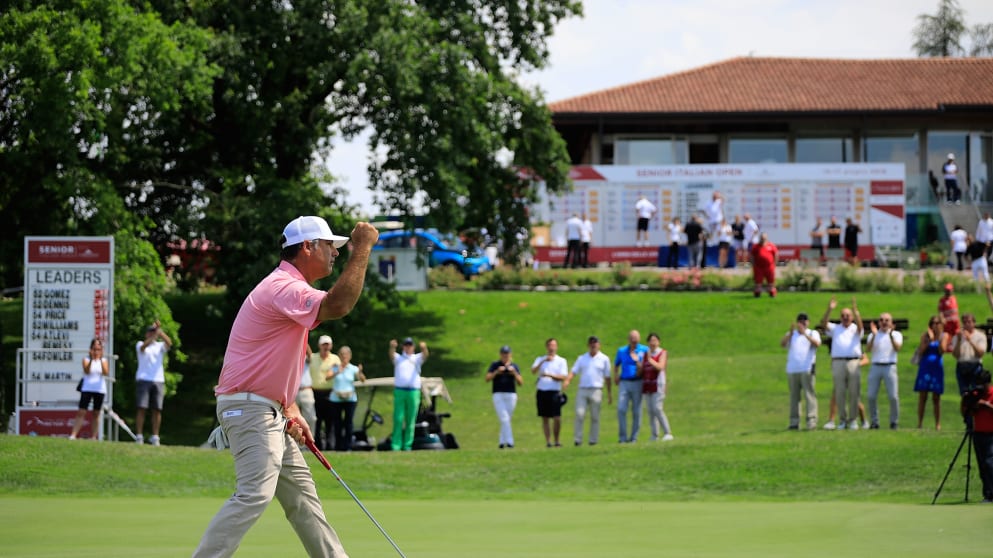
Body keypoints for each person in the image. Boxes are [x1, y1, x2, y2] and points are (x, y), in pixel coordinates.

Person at [194, 215, 377, 558]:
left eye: (340, 248)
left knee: (303, 502)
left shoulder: (289, 290)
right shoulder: (283, 286)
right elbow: (339, 304)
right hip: (250, 409)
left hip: (268, 410)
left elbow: (273, 362)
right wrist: (362, 247)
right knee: (255, 493)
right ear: (308, 247)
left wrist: (289, 408)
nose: (336, 253)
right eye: (330, 246)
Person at [818, 296, 864, 430]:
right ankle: (842, 420)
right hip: (838, 362)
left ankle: (853, 420)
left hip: (853, 362)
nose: (845, 317)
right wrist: (829, 309)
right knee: (839, 392)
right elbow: (823, 324)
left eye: (848, 315)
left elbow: (861, 328)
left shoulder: (855, 328)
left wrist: (856, 312)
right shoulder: (835, 328)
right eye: (843, 315)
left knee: (854, 392)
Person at [567, 336, 612, 446]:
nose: (593, 345)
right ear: (588, 345)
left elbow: (607, 377)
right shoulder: (582, 358)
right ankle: (578, 440)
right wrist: (567, 380)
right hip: (583, 390)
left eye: (595, 343)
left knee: (595, 416)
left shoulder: (604, 359)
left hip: (596, 390)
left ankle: (593, 440)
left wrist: (609, 393)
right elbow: (574, 371)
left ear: (599, 345)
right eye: (591, 343)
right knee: (579, 414)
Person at [135, 320, 172, 446]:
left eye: (153, 331)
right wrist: (154, 335)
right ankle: (139, 436)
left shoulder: (159, 346)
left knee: (157, 409)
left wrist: (160, 333)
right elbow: (143, 348)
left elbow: (169, 343)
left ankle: (155, 436)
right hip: (143, 379)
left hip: (158, 380)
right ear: (146, 334)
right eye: (150, 331)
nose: (152, 334)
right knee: (142, 408)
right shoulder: (140, 344)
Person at [780, 313, 820, 430]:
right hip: (793, 369)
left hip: (807, 368)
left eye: (804, 321)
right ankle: (794, 421)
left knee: (809, 395)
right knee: (794, 396)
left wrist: (805, 335)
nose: (802, 323)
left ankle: (811, 421)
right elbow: (782, 344)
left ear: (808, 322)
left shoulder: (813, 333)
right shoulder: (791, 334)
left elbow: (817, 344)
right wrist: (791, 333)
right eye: (800, 321)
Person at [389, 337, 429, 451]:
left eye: (410, 345)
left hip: (413, 391)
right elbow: (391, 355)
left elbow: (425, 355)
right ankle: (396, 445)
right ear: (403, 346)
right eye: (406, 345)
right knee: (398, 418)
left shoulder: (416, 358)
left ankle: (407, 445)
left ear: (413, 347)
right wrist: (392, 347)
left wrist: (424, 348)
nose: (408, 347)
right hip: (400, 391)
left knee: (410, 420)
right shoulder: (399, 358)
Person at [865, 313, 903, 430]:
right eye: (881, 320)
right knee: (871, 396)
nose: (884, 322)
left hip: (890, 366)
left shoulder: (896, 334)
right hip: (876, 366)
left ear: (891, 323)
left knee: (893, 397)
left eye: (887, 320)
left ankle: (894, 422)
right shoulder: (873, 335)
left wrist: (891, 335)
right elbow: (868, 349)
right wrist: (874, 335)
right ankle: (874, 422)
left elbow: (897, 348)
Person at [961, 368, 993, 503]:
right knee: (982, 466)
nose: (980, 388)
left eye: (983, 385)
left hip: (991, 434)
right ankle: (988, 494)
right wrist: (969, 404)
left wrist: (986, 405)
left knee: (990, 463)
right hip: (978, 433)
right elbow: (965, 412)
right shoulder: (975, 395)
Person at [531, 338, 569, 447]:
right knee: (545, 417)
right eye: (549, 345)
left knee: (557, 418)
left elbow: (563, 376)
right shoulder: (540, 359)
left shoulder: (561, 361)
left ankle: (557, 440)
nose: (551, 348)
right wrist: (543, 361)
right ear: (546, 347)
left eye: (553, 345)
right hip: (542, 391)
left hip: (554, 392)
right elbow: (533, 371)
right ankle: (548, 441)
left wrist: (550, 375)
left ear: (556, 347)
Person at [913, 316, 949, 430]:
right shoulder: (925, 336)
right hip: (925, 367)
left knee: (936, 397)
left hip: (936, 367)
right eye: (933, 323)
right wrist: (930, 340)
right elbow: (922, 350)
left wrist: (937, 339)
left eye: (937, 323)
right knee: (922, 396)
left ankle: (937, 423)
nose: (935, 325)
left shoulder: (944, 336)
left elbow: (942, 350)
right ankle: (919, 423)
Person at [69, 338, 110, 440]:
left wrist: (99, 359)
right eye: (94, 349)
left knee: (96, 413)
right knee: (81, 412)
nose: (96, 351)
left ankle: (94, 436)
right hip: (87, 388)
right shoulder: (86, 359)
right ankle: (73, 435)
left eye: (98, 349)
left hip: (99, 389)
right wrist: (92, 359)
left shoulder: (104, 361)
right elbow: (87, 371)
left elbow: (105, 372)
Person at [327, 346, 365, 452]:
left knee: (348, 423)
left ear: (350, 356)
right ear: (339, 356)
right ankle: (338, 446)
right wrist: (337, 372)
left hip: (350, 399)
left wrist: (360, 372)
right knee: (337, 423)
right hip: (336, 399)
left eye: (346, 354)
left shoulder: (353, 368)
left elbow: (362, 380)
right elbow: (327, 377)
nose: (344, 356)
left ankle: (348, 446)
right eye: (342, 354)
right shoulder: (335, 367)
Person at [614, 330, 648, 443]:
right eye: (632, 338)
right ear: (629, 339)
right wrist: (616, 375)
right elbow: (616, 364)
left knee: (636, 411)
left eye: (636, 339)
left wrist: (638, 362)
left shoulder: (644, 350)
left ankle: (634, 437)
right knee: (621, 409)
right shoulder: (622, 350)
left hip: (638, 382)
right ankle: (622, 437)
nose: (634, 341)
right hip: (624, 382)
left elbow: (647, 366)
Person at [485, 345, 523, 448]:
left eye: (507, 353)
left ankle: (502, 442)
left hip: (511, 394)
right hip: (498, 394)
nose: (505, 355)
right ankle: (510, 442)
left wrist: (513, 373)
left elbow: (520, 382)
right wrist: (497, 372)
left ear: (510, 354)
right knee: (504, 418)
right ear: (500, 354)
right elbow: (487, 378)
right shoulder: (495, 365)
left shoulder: (514, 366)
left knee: (507, 419)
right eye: (503, 353)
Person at [309, 335, 341, 450]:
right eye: (324, 344)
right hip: (315, 393)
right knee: (316, 420)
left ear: (331, 346)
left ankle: (330, 446)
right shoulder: (313, 357)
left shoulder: (335, 359)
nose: (326, 347)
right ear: (319, 345)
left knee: (330, 421)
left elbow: (335, 371)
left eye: (328, 345)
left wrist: (331, 373)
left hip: (330, 393)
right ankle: (317, 446)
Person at [642, 332, 674, 441]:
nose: (653, 343)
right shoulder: (646, 354)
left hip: (658, 384)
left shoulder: (662, 353)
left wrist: (651, 360)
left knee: (657, 408)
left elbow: (660, 367)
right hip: (648, 385)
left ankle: (667, 432)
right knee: (651, 411)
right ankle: (654, 435)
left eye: (655, 340)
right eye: (651, 341)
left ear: (658, 342)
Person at [295, 348, 317, 440]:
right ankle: (297, 444)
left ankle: (310, 442)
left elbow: (309, 354)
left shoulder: (305, 358)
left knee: (311, 418)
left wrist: (304, 335)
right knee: (294, 420)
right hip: (293, 392)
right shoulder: (289, 357)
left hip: (306, 391)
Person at [750, 233, 778, 298]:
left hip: (769, 267)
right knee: (758, 283)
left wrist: (774, 264)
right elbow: (752, 256)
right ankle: (757, 294)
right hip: (759, 267)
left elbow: (776, 255)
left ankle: (772, 293)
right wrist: (753, 265)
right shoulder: (756, 246)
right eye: (762, 238)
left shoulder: (771, 246)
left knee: (771, 282)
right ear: (760, 238)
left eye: (764, 238)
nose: (763, 240)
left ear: (766, 238)